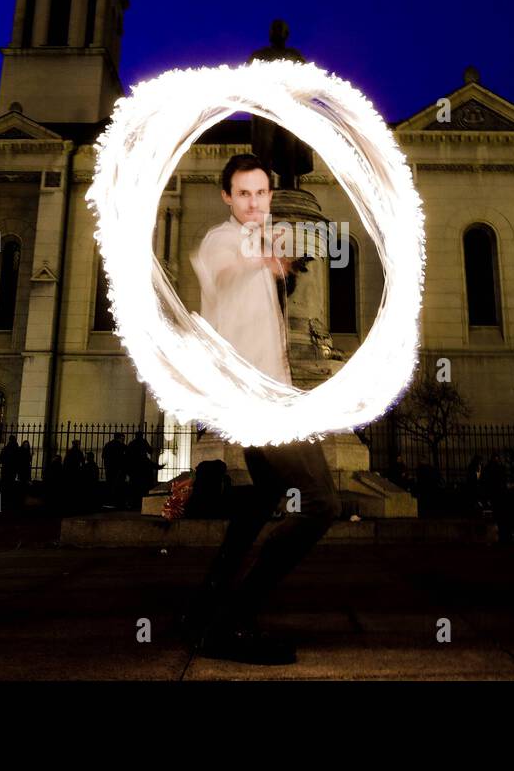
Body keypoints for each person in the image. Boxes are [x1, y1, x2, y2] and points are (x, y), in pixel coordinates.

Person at [180, 153, 341, 665]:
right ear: (227, 197)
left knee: (264, 496)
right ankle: (230, 621)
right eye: (243, 194)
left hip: (264, 397)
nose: (254, 203)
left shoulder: (266, 240)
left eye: (261, 193)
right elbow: (220, 271)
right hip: (257, 404)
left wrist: (278, 262)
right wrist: (262, 259)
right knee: (323, 504)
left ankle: (205, 608)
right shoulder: (223, 240)